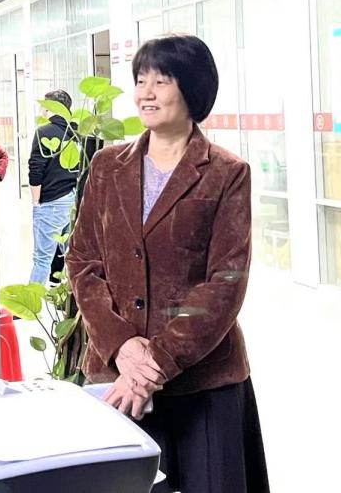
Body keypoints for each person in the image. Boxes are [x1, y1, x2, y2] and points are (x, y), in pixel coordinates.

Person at [67, 34, 269, 493]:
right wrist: (122, 347)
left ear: (192, 89)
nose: (147, 93)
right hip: (116, 377)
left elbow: (225, 281)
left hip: (204, 381)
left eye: (161, 81)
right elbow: (82, 260)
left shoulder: (226, 173)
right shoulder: (106, 165)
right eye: (141, 80)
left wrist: (153, 364)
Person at [27, 89, 79, 285]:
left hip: (51, 201)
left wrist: (36, 202)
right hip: (72, 199)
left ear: (51, 107)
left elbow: (36, 170)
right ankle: (70, 299)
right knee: (71, 256)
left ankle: (32, 300)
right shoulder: (76, 132)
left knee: (42, 259)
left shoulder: (44, 132)